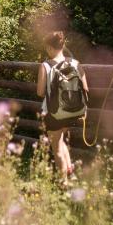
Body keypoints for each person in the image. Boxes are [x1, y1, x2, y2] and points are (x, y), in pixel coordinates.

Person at [36, 31, 88, 183]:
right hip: (73, 111)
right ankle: (70, 170)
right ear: (63, 45)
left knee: (57, 147)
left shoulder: (46, 65)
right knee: (60, 139)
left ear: (49, 47)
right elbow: (85, 89)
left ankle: (64, 182)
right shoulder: (75, 63)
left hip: (54, 113)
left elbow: (40, 92)